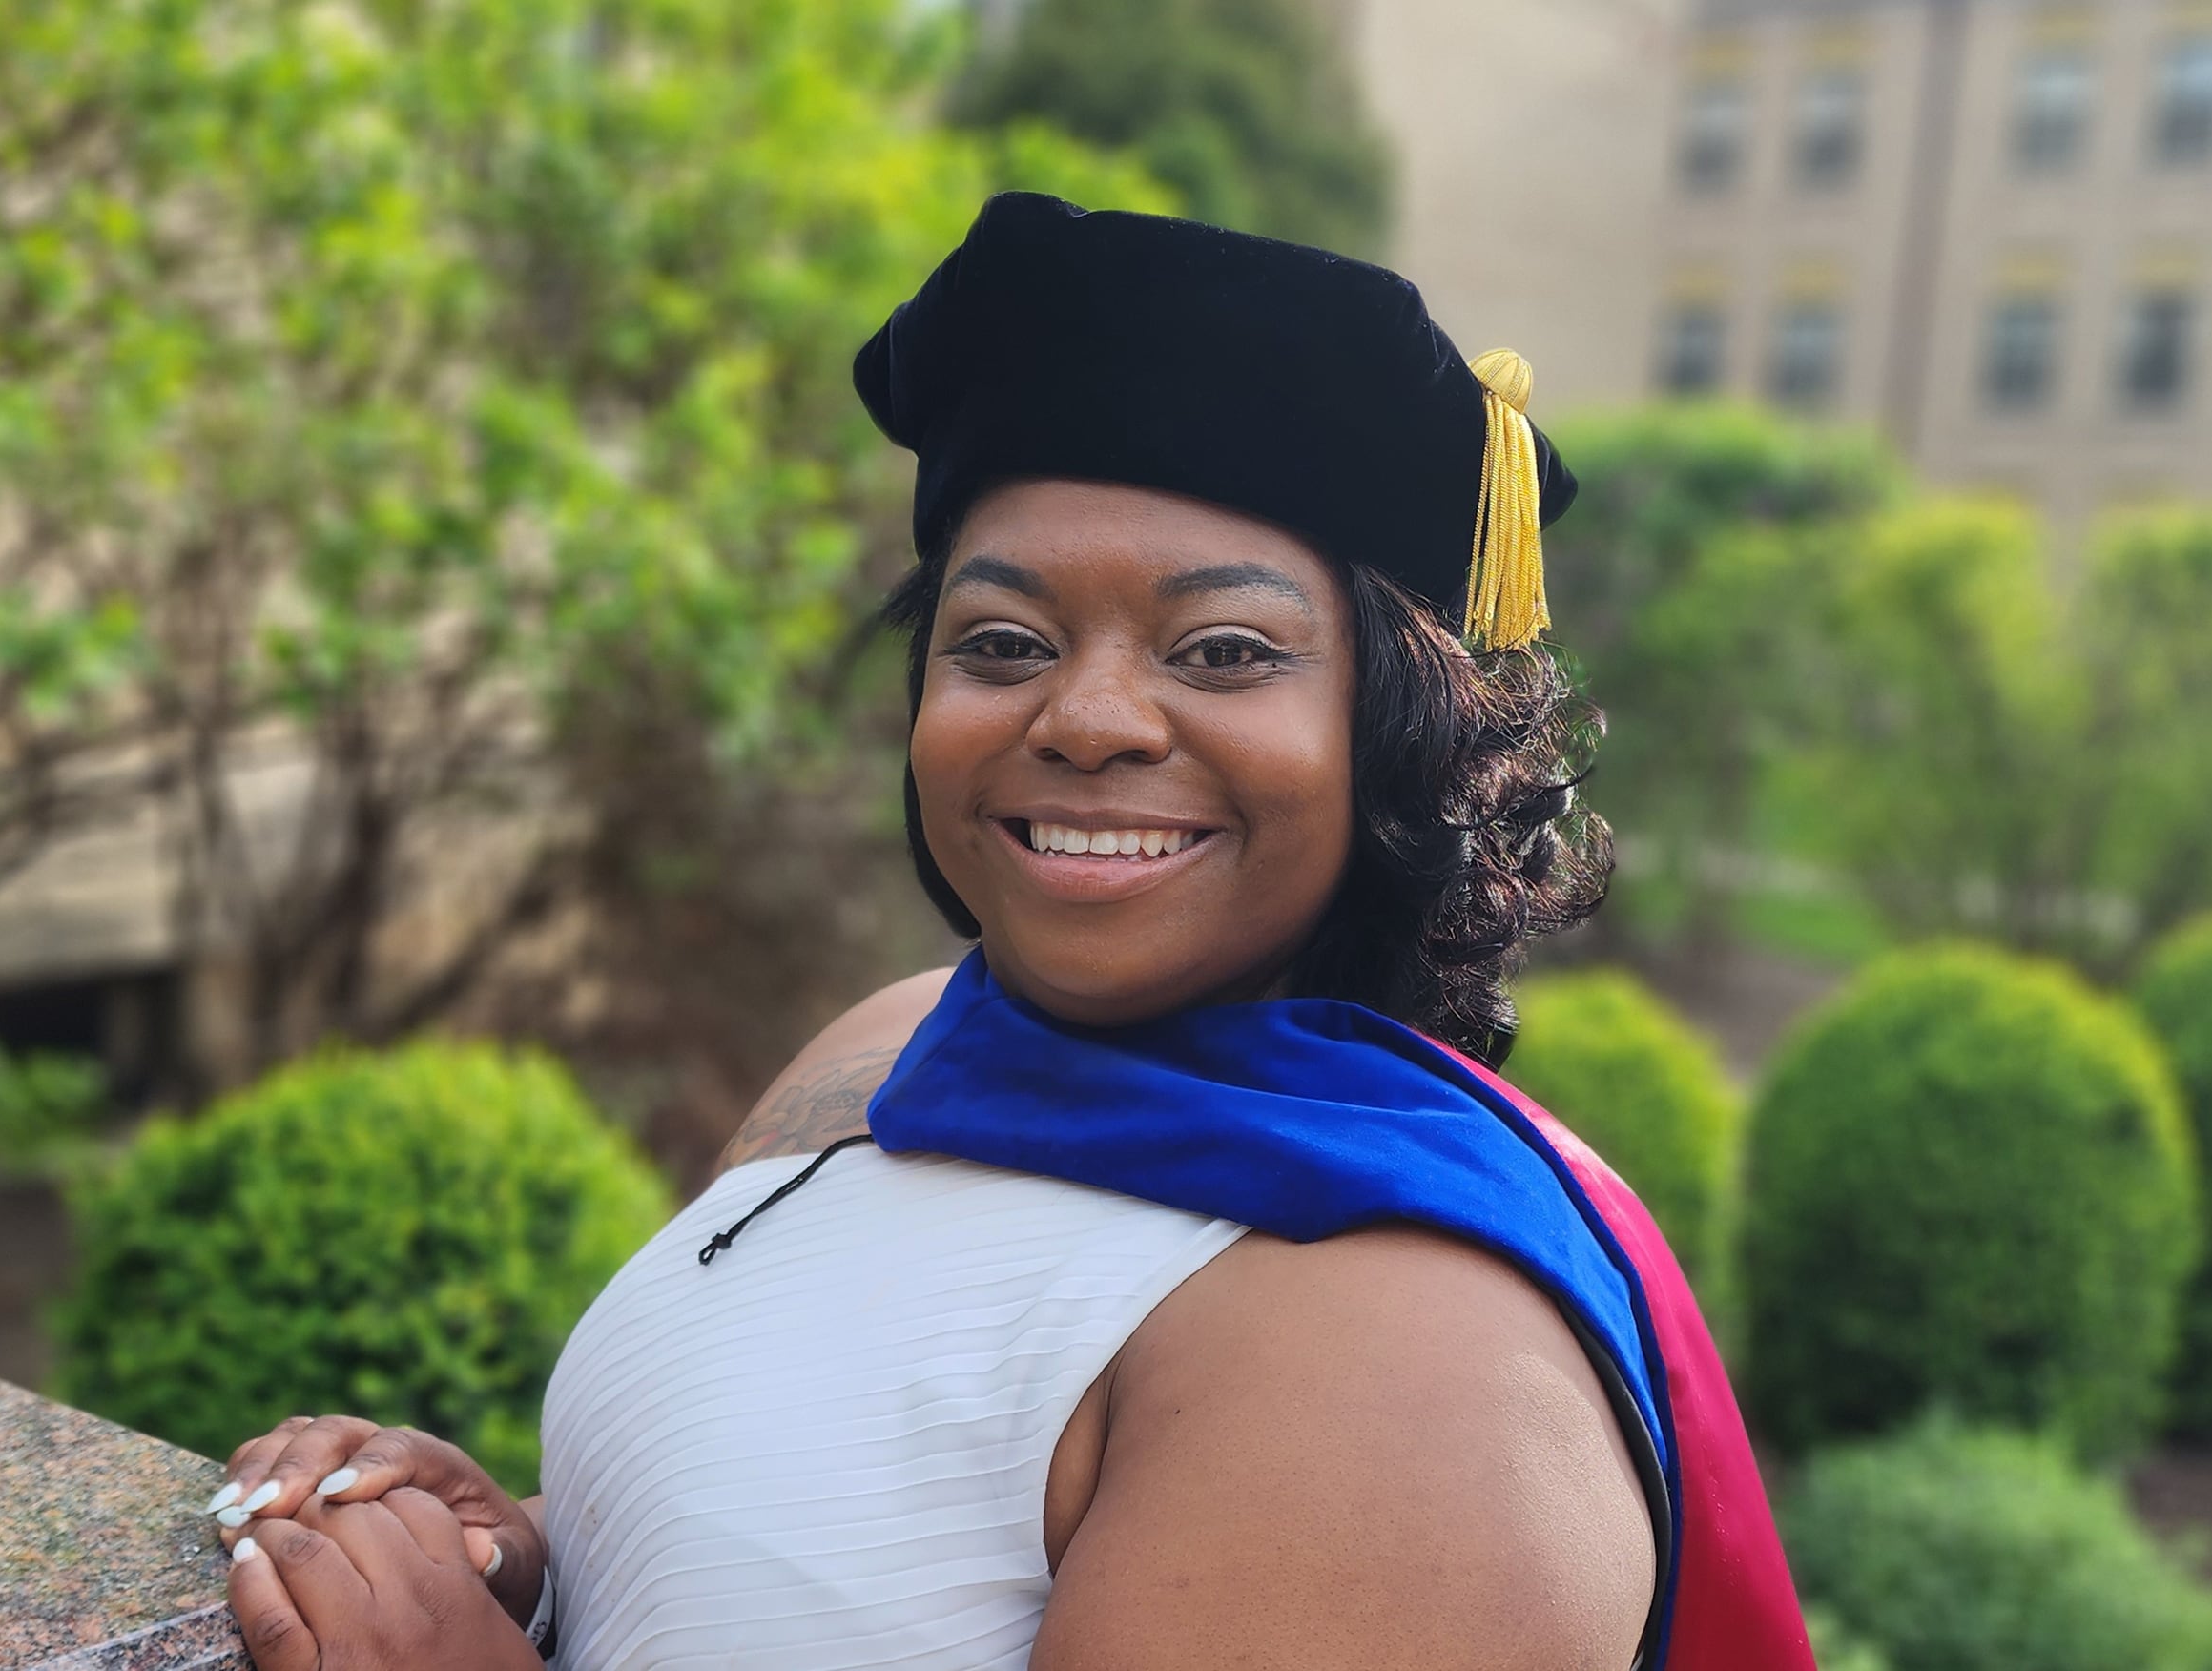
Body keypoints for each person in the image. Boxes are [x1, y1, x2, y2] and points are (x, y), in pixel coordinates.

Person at [204, 192, 1813, 1671]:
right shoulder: (890, 1049)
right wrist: (515, 1559)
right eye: (1001, 639)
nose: (1090, 714)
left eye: (1227, 649)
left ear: (1397, 736)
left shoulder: (1413, 1362)